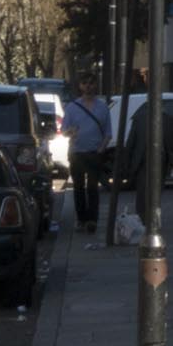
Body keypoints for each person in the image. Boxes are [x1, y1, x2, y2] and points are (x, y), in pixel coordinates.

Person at [65, 87, 115, 235]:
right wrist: (70, 132)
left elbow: (108, 132)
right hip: (77, 153)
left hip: (94, 152)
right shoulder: (72, 107)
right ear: (80, 86)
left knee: (93, 187)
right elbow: (64, 130)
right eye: (85, 83)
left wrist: (101, 148)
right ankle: (81, 219)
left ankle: (92, 220)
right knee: (78, 187)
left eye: (91, 83)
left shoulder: (102, 107)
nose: (88, 86)